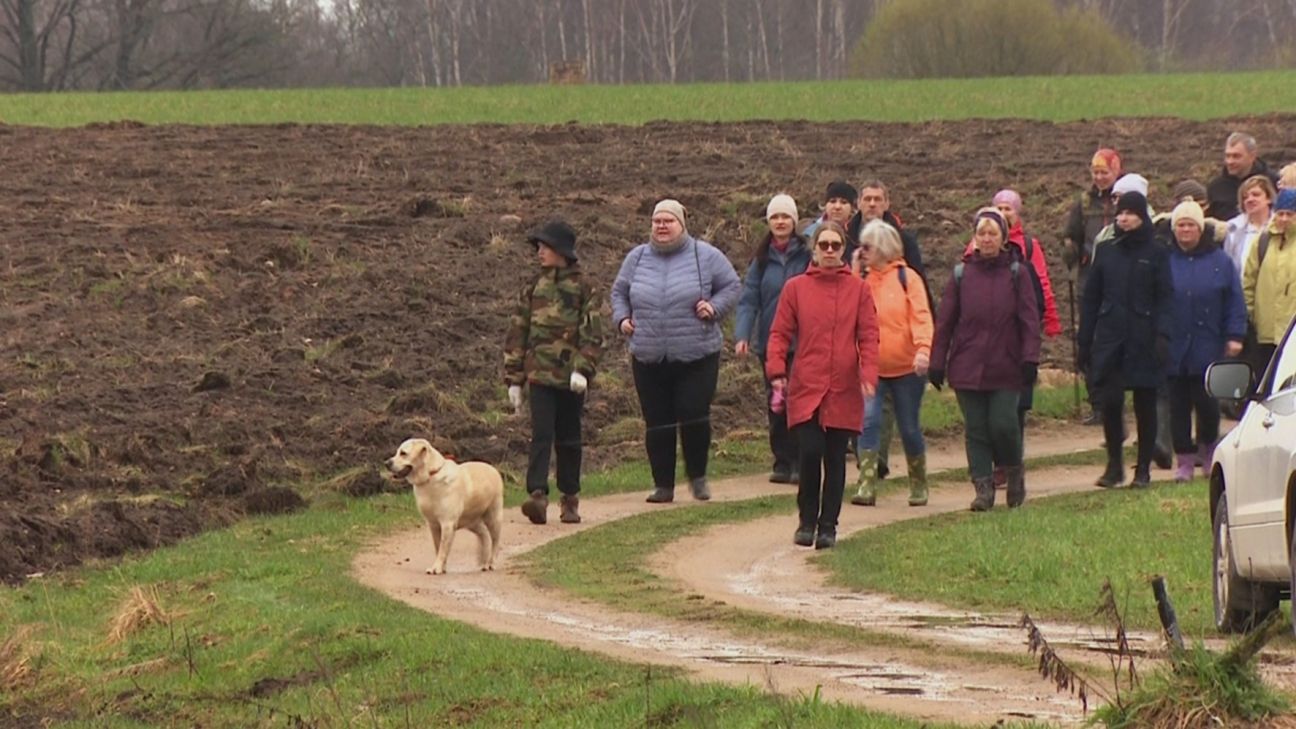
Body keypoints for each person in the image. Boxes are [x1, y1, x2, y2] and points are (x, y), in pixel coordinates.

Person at [611, 199, 741, 504]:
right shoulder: (637, 258)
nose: (661, 226)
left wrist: (714, 307)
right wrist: (622, 318)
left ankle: (698, 477)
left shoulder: (704, 255)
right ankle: (663, 485)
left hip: (697, 353)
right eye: (657, 221)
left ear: (682, 225)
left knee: (693, 413)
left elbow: (732, 286)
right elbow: (619, 292)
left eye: (668, 221)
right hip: (648, 354)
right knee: (657, 420)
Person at [766, 222, 879, 549]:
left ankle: (828, 524)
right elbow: (779, 333)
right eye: (824, 245)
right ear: (814, 249)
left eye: (835, 245)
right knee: (810, 451)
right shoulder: (795, 288)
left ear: (843, 250)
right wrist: (776, 370)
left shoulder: (859, 290)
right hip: (807, 383)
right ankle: (806, 520)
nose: (830, 251)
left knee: (834, 456)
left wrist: (868, 374)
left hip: (843, 386)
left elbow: (869, 336)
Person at [930, 209, 1040, 511]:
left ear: (1004, 238)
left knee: (1003, 424)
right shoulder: (961, 275)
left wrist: (1030, 358)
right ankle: (983, 488)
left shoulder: (1018, 273)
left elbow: (1030, 320)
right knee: (976, 428)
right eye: (982, 234)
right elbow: (945, 322)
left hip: (1007, 365)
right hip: (967, 365)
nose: (987, 239)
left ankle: (1014, 472)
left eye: (993, 233)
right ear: (974, 239)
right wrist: (937, 361)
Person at [504, 221, 605, 525]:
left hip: (571, 379)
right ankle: (537, 495)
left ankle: (570, 498)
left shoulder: (585, 288)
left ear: (561, 251)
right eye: (538, 248)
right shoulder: (533, 288)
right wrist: (514, 378)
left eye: (545, 248)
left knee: (570, 438)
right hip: (539, 377)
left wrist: (583, 370)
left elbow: (592, 334)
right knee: (541, 435)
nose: (539, 253)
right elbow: (518, 332)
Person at [1078, 191, 1174, 489]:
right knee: (1110, 402)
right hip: (1111, 338)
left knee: (1145, 404)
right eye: (1120, 213)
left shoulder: (1156, 252)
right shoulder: (1106, 251)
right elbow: (1091, 298)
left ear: (1142, 216)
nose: (1124, 218)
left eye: (1130, 213)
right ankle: (1114, 465)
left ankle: (1142, 469)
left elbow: (1165, 298)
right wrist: (1085, 340)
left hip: (1144, 339)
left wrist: (1162, 334)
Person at [847, 179, 930, 482]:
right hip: (871, 366)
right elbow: (848, 309)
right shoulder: (862, 280)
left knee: (908, 427)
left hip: (907, 367)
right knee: (867, 421)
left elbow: (922, 315)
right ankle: (866, 482)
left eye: (868, 248)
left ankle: (918, 482)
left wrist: (923, 350)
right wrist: (856, 269)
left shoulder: (908, 278)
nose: (863, 252)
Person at [1164, 200, 1246, 482]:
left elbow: (1235, 299)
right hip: (1174, 346)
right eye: (1181, 225)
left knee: (1208, 404)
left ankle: (1209, 453)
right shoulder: (1165, 260)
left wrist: (1235, 334)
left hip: (1208, 344)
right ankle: (1184, 461)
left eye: (1190, 225)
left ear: (1200, 229)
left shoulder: (1219, 261)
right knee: (1178, 408)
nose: (1185, 230)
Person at [734, 193, 812, 484]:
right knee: (777, 401)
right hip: (770, 343)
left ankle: (802, 462)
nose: (780, 222)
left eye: (785, 217)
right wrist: (743, 334)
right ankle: (782, 460)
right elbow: (748, 299)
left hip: (803, 342)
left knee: (800, 402)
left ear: (794, 221)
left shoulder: (807, 255)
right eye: (775, 217)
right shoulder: (762, 260)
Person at [1061, 148, 1124, 426]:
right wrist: (1069, 250)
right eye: (1095, 172)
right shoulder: (1084, 202)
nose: (1099, 177)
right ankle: (1097, 403)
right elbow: (1070, 235)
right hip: (1090, 281)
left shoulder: (1126, 199)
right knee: (1090, 341)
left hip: (1121, 282)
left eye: (1104, 172)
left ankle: (1118, 401)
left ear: (1116, 171)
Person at [1242, 188, 1296, 379]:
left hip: (1292, 334)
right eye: (1280, 213)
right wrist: (1250, 315)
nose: (1283, 219)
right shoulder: (1263, 242)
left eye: (1289, 214)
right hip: (1265, 333)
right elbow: (1249, 281)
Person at [1207, 132, 1281, 221]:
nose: (1230, 161)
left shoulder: (1273, 182)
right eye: (1227, 156)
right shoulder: (1216, 187)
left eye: (1236, 156)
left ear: (1252, 156)